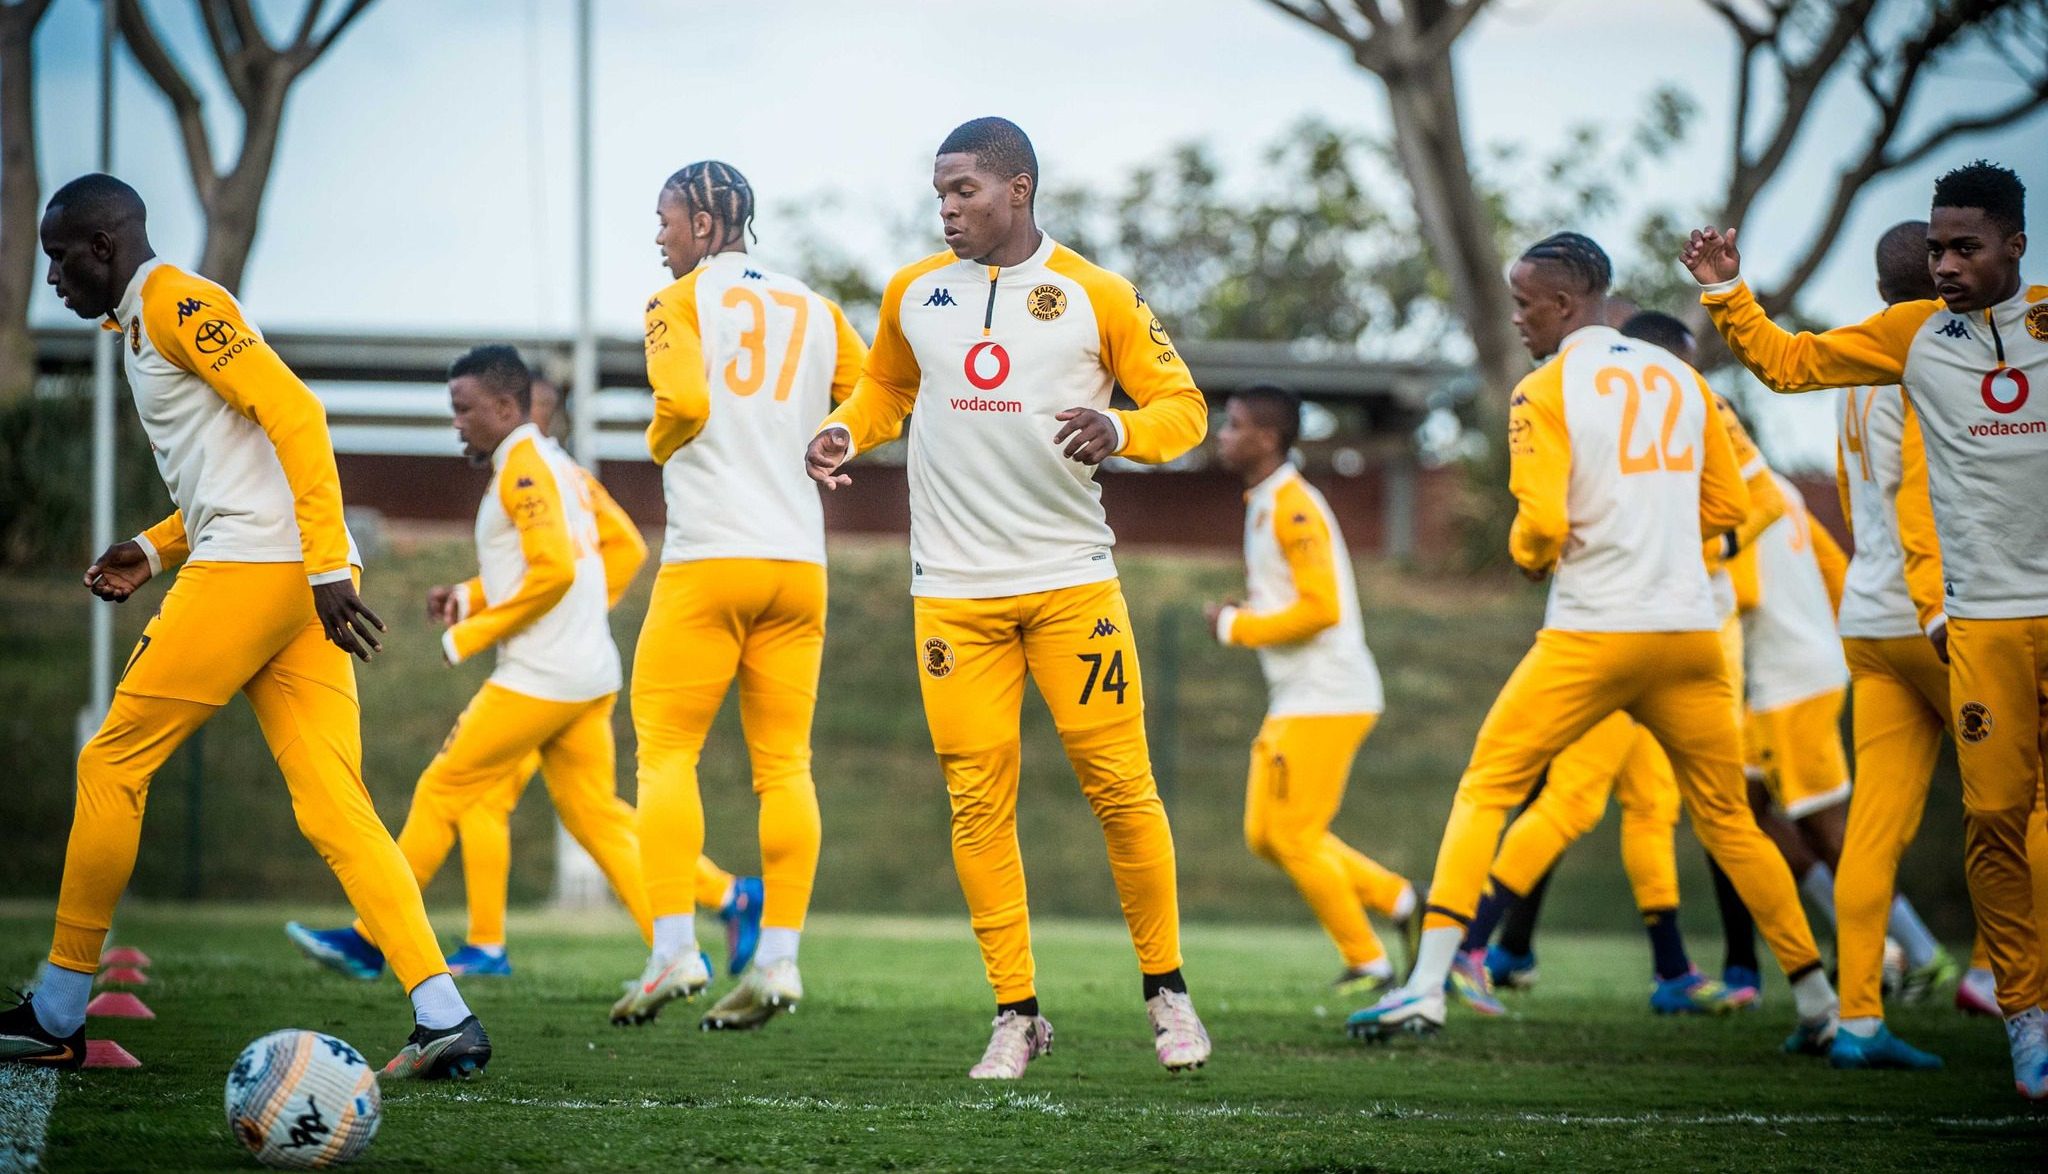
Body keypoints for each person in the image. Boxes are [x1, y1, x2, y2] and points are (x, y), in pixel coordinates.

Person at [1, 174, 488, 1079]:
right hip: (288, 576)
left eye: (58, 257)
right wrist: (152, 549)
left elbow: (296, 411)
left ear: (103, 247)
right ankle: (443, 1013)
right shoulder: (144, 323)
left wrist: (330, 570)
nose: (53, 279)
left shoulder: (178, 301)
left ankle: (58, 1010)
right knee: (335, 804)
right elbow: (240, 467)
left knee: (112, 760)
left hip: (268, 573)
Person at [1345, 231, 1837, 1054]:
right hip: (1688, 635)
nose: (1517, 317)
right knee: (1727, 820)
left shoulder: (1545, 388)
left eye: (1523, 302)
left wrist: (1532, 558)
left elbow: (1540, 525)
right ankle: (1820, 1004)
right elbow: (1731, 511)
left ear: (1566, 303)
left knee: (1487, 790)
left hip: (1594, 631)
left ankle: (1426, 987)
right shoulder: (1685, 382)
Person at [805, 117, 1212, 1078]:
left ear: (1017, 188)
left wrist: (1121, 430)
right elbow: (885, 390)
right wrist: (841, 430)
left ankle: (1169, 996)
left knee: (1122, 790)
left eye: (964, 192)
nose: (946, 208)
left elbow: (1184, 409)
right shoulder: (914, 291)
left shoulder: (1096, 293)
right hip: (951, 593)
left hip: (1074, 583)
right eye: (939, 194)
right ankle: (1016, 1014)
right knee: (976, 801)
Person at [1686, 161, 2048, 1095]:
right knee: (2013, 813)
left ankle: (1857, 1015)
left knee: (1874, 830)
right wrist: (1935, 605)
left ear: (2012, 244)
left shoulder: (1875, 366)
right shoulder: (1914, 351)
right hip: (1946, 620)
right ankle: (2004, 991)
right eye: (1939, 254)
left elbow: (1856, 495)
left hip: (1871, 619)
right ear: (1918, 278)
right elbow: (1918, 498)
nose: (1950, 268)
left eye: (1965, 248)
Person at [282, 349, 666, 1005]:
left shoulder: (522, 470)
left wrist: (470, 634)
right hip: (586, 670)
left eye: (464, 409)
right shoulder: (549, 465)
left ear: (504, 407)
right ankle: (675, 953)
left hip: (542, 676)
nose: (456, 423)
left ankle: (371, 939)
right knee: (596, 818)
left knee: (442, 789)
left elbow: (554, 573)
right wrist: (467, 595)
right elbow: (564, 564)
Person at [615, 160, 869, 1032]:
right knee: (785, 768)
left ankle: (672, 950)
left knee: (666, 756)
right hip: (799, 565)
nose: (657, 236)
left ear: (701, 224)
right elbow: (879, 394)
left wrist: (660, 440)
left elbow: (681, 399)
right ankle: (781, 961)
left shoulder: (676, 301)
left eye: (663, 219)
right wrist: (832, 441)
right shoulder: (812, 303)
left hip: (711, 557)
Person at [1203, 384, 1417, 999]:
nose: (1222, 433)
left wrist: (1235, 626)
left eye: (1234, 424)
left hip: (1328, 692)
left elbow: (1321, 609)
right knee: (1266, 834)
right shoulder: (1268, 501)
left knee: (1292, 835)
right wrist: (1248, 612)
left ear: (1267, 439)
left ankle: (1370, 962)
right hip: (1305, 693)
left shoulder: (1293, 505)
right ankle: (1401, 901)